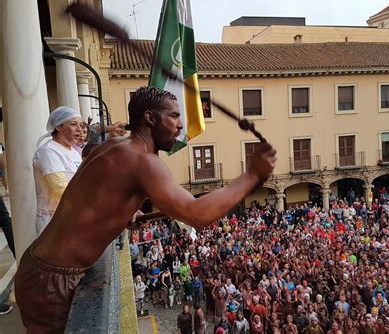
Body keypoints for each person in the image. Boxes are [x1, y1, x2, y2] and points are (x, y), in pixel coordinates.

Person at [15, 87, 276, 333]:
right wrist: (252, 175)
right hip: (51, 281)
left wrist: (121, 213)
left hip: (39, 269)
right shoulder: (143, 161)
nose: (180, 125)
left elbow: (94, 198)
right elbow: (197, 214)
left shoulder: (114, 147)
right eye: (173, 116)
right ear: (150, 118)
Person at [32, 106, 83, 235]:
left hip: (74, 216)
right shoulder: (48, 151)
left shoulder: (73, 152)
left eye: (80, 125)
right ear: (58, 127)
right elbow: (60, 188)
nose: (79, 129)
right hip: (53, 221)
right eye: (73, 124)